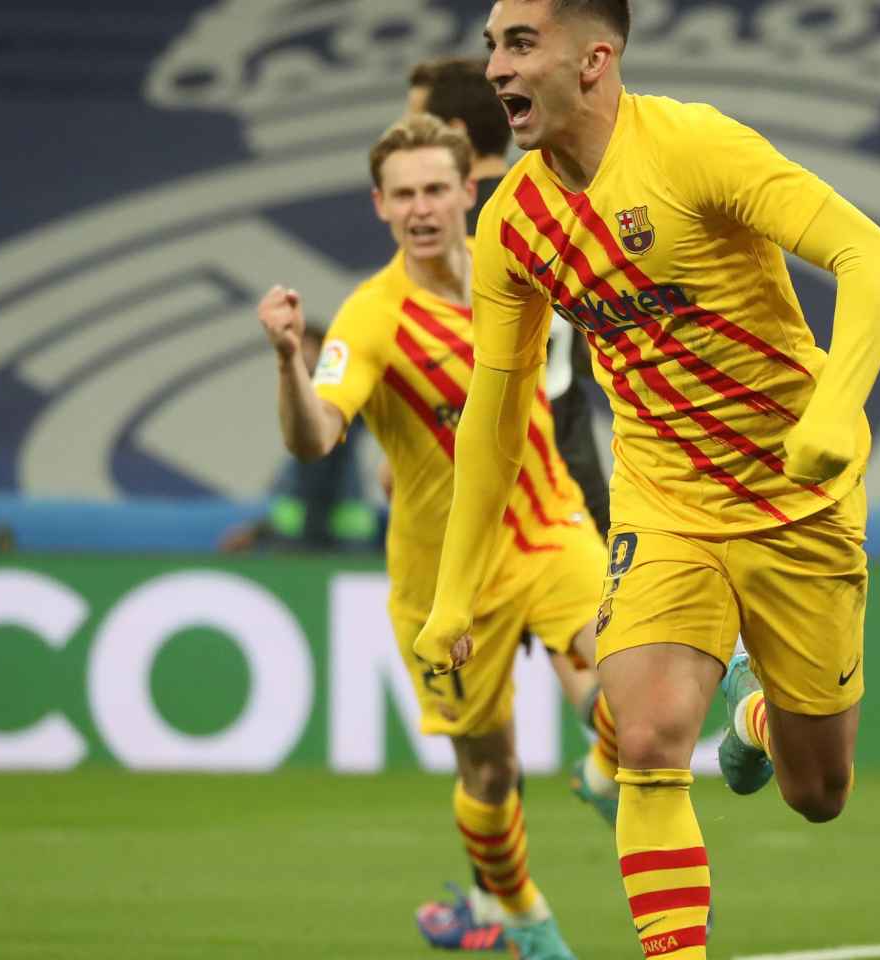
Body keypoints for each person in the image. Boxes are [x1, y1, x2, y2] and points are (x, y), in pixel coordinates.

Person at [411, 2, 880, 957]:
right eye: (491, 47)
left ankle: (759, 715)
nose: (498, 69)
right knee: (643, 743)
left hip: (794, 497)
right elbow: (494, 417)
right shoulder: (514, 221)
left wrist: (837, 405)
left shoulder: (694, 147)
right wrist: (455, 593)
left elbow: (870, 257)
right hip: (664, 500)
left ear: (594, 58)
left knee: (819, 793)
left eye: (520, 44)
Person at [254, 113, 618, 960]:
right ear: (380, 205)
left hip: (548, 527)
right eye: (403, 194)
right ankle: (521, 915)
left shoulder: (514, 265)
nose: (421, 208)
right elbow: (315, 437)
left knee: (628, 684)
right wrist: (286, 364)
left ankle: (608, 770)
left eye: (434, 190)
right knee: (489, 775)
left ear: (468, 191)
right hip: (444, 581)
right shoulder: (370, 319)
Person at [407, 55, 611, 539]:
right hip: (570, 436)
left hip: (494, 441)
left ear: (454, 133)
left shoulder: (444, 228)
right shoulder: (555, 198)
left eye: (419, 128)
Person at [219, 324, 379, 553]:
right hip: (299, 538)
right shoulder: (295, 400)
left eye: (308, 348)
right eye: (297, 349)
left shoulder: (343, 401)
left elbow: (321, 471)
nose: (302, 355)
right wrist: (258, 531)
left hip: (337, 540)